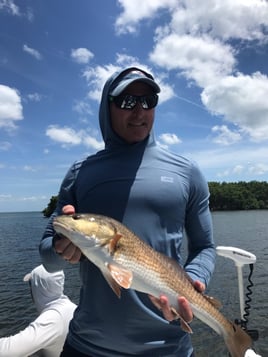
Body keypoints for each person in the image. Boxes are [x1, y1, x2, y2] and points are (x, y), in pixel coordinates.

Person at [39, 67, 216, 357]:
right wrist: (61, 250)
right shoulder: (80, 172)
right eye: (126, 101)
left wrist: (194, 279)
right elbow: (47, 257)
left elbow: (205, 247)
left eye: (148, 101)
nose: (139, 111)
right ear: (106, 107)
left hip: (168, 349)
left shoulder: (187, 171)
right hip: (87, 346)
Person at [0, 264, 77, 357]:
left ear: (39, 287)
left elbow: (7, 350)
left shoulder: (53, 319)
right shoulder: (72, 307)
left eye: (31, 284)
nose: (30, 289)